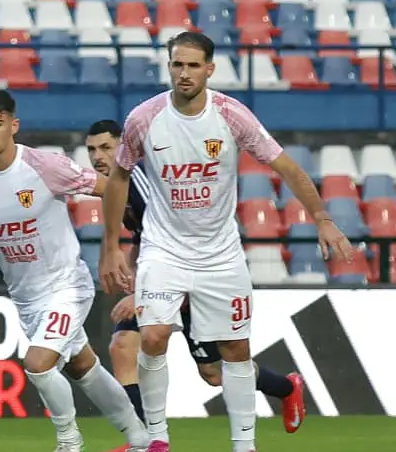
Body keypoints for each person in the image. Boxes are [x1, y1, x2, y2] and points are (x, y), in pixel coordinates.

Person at [97, 32, 355, 452]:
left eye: (193, 65)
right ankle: (157, 440)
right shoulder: (144, 119)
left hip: (220, 254)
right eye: (177, 65)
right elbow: (119, 178)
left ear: (209, 69)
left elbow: (286, 166)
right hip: (165, 249)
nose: (184, 73)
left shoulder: (232, 116)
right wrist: (110, 245)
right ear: (169, 67)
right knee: (153, 335)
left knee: (234, 350)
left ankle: (244, 445)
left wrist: (323, 219)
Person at [0, 91, 150, 452]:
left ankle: (69, 441)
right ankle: (140, 437)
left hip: (67, 284)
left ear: (14, 126)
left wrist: (128, 232)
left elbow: (112, 186)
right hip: (26, 296)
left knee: (37, 364)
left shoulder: (44, 166)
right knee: (83, 366)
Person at [84, 120, 307, 447]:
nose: (98, 156)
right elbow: (145, 236)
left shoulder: (142, 180)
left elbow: (172, 238)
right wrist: (133, 271)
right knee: (123, 346)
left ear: (124, 147)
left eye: (106, 147)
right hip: (165, 275)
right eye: (91, 149)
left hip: (195, 273)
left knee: (214, 374)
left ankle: (287, 388)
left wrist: (140, 291)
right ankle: (145, 439)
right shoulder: (119, 186)